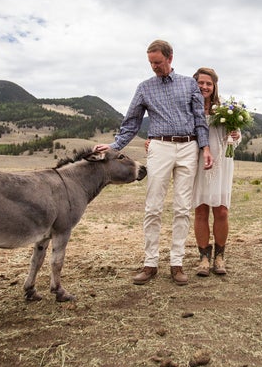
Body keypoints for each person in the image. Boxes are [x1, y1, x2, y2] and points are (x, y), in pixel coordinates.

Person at [94, 39, 213, 286]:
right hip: (159, 146)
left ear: (170, 58)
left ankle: (177, 264)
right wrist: (115, 146)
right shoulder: (144, 88)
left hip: (189, 147)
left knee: (182, 207)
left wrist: (206, 147)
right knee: (153, 206)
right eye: (150, 63)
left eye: (157, 62)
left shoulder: (189, 84)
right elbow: (132, 122)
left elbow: (199, 119)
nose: (154, 67)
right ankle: (150, 263)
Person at [190, 68, 240, 276]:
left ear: (214, 86)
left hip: (221, 162)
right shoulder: (187, 109)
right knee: (200, 209)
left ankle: (220, 256)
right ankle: (203, 257)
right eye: (201, 83)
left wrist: (236, 136)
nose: (204, 87)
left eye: (208, 84)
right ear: (194, 84)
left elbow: (235, 139)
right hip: (196, 162)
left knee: (221, 211)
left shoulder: (225, 110)